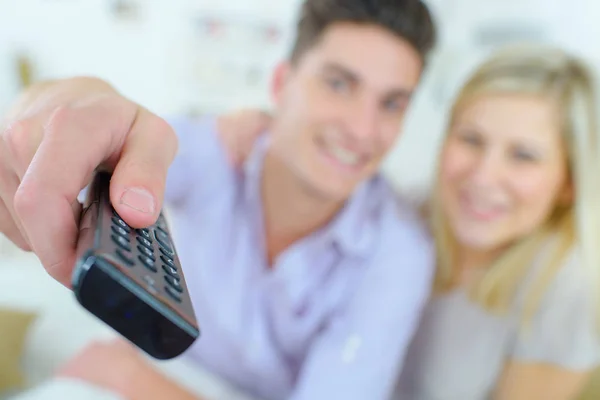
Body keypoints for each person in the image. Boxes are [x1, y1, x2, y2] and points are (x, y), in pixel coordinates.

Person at [0, 0, 438, 399]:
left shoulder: (399, 252)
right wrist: (63, 105)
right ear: (282, 84)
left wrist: (133, 379)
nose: (363, 129)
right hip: (152, 360)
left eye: (392, 104)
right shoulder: (220, 147)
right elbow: (118, 141)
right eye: (339, 84)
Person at [216, 43, 600, 399]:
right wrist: (267, 131)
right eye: (471, 139)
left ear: (568, 183)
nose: (483, 176)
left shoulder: (566, 292)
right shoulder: (409, 216)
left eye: (524, 156)